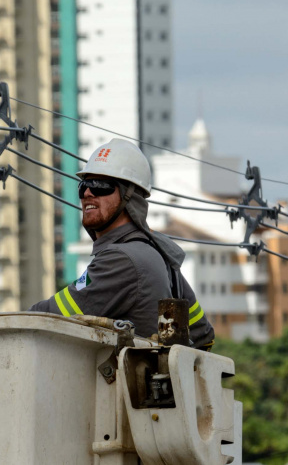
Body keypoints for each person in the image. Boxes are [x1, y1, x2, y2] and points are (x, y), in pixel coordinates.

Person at [29, 138, 215, 348]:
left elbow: (47, 318)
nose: (88, 193)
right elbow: (202, 334)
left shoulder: (122, 259)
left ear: (129, 195)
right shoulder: (159, 252)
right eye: (84, 186)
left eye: (100, 186)